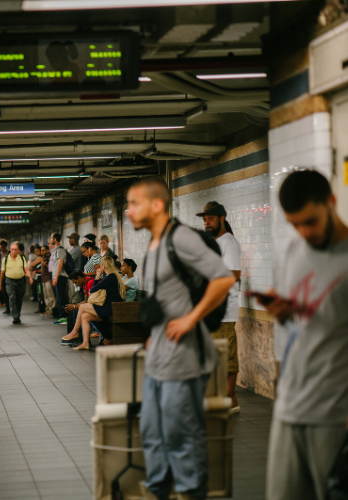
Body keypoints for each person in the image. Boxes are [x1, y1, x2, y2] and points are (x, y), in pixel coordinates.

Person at [127, 177, 235, 500]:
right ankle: (159, 490)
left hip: (184, 358)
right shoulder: (154, 243)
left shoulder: (182, 238)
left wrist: (190, 319)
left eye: (134, 203)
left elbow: (223, 278)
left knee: (181, 435)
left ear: (157, 205)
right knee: (152, 432)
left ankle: (191, 492)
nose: (129, 211)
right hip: (159, 356)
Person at [257, 171, 348, 500]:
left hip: (335, 414)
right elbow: (305, 321)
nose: (304, 232)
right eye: (295, 224)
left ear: (332, 202)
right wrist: (284, 312)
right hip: (289, 407)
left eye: (310, 222)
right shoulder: (296, 250)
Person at [197, 201, 242, 412]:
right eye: (205, 219)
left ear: (222, 219)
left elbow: (233, 274)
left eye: (211, 219)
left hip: (224, 308)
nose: (207, 223)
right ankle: (218, 396)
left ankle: (230, 398)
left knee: (227, 353)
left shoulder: (228, 242)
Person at [63, 256, 126, 350]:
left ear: (104, 266)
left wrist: (98, 276)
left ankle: (74, 332)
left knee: (82, 307)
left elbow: (93, 289)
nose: (100, 266)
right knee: (84, 316)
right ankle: (85, 343)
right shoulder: (112, 276)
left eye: (101, 264)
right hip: (109, 307)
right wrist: (97, 275)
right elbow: (94, 289)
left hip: (109, 308)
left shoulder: (111, 276)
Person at [0, 242, 31, 325]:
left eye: (15, 250)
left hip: (20, 281)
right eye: (12, 249)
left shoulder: (22, 258)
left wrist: (30, 277)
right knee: (12, 297)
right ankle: (15, 317)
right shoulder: (5, 259)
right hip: (9, 281)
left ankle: (17, 315)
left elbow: (26, 268)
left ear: (18, 250)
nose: (14, 251)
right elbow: (2, 272)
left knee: (19, 299)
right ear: (10, 250)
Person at [49, 233, 69, 322]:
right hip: (57, 276)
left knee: (61, 297)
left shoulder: (60, 250)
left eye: (51, 238)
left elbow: (60, 264)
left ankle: (64, 316)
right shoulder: (56, 250)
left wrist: (56, 277)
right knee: (58, 297)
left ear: (55, 239)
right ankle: (61, 315)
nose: (50, 239)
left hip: (60, 276)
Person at [0, 240, 9, 308]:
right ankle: (1, 301)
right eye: (1, 247)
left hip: (8, 272)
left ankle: (7, 302)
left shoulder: (9, 253)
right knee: (0, 287)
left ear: (6, 246)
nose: (2, 248)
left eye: (3, 246)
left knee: (7, 288)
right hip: (1, 272)